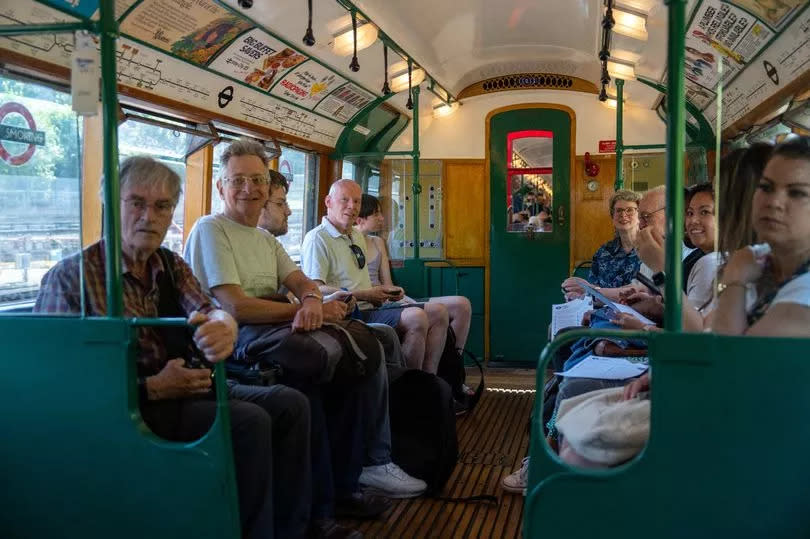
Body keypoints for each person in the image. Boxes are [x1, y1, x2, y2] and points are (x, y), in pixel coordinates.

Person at [34, 156, 310, 539]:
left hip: (185, 390)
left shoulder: (170, 265)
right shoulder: (71, 279)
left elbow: (210, 310)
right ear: (111, 205)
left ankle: (290, 529)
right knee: (249, 422)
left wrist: (223, 327)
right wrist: (152, 387)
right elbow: (56, 388)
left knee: (289, 404)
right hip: (128, 408)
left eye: (162, 206)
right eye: (137, 203)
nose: (149, 216)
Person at [184, 139, 426, 509]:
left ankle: (353, 478)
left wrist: (313, 300)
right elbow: (235, 306)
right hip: (237, 343)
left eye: (257, 180)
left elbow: (303, 283)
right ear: (220, 187)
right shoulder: (210, 230)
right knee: (322, 381)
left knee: (363, 356)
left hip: (276, 333)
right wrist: (304, 311)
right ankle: (337, 493)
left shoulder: (265, 239)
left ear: (267, 186)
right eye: (238, 180)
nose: (249, 189)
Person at [557, 137, 810, 468]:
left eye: (797, 192)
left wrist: (671, 273)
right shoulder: (757, 261)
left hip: (744, 429)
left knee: (578, 439)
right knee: (573, 409)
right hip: (711, 394)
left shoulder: (789, 287)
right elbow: (714, 342)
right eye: (766, 188)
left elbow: (726, 365)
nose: (773, 203)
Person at [301, 180, 450, 374]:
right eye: (344, 200)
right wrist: (365, 294)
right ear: (328, 202)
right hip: (349, 313)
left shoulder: (355, 235)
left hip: (371, 306)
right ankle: (406, 386)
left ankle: (429, 379)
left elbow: (362, 280)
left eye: (357, 201)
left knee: (439, 312)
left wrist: (385, 292)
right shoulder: (317, 239)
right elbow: (315, 289)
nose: (352, 206)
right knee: (416, 318)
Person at [355, 193, 473, 352]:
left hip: (388, 300)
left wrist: (396, 293)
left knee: (462, 305)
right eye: (376, 214)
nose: (382, 218)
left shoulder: (378, 242)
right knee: (436, 313)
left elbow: (388, 284)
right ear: (360, 218)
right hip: (371, 305)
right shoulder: (345, 244)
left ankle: (453, 363)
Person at [586, 189, 642, 288]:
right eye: (619, 210)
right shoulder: (603, 251)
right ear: (612, 217)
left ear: (639, 215)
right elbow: (593, 288)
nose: (623, 215)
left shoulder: (650, 249)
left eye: (629, 210)